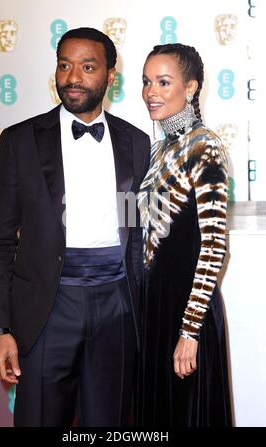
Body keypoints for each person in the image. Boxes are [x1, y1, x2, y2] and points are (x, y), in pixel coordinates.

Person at [0, 27, 150, 427]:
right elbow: (0, 240)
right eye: (64, 65)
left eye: (87, 67)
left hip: (117, 307)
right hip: (46, 307)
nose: (73, 77)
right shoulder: (19, 141)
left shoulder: (137, 142)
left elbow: (139, 232)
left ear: (110, 76)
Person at [137, 43, 232, 426]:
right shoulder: (158, 149)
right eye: (146, 82)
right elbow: (139, 227)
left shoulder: (205, 146)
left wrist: (189, 331)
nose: (150, 92)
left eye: (163, 82)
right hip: (153, 309)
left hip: (187, 311)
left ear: (190, 88)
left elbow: (214, 245)